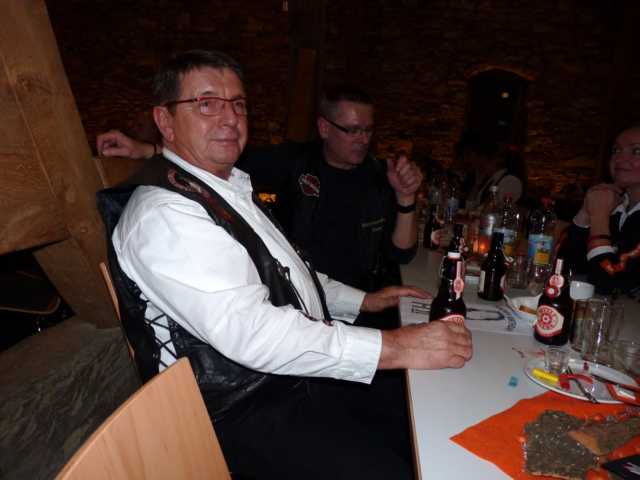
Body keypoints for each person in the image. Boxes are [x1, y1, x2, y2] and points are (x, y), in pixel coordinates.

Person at [98, 49, 473, 479]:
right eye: (206, 103)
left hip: (285, 379)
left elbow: (288, 273)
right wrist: (398, 346)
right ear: (165, 121)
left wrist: (365, 301)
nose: (230, 118)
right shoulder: (166, 215)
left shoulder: (224, 188)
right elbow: (254, 334)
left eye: (238, 104)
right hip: (235, 415)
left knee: (416, 415)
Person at [97, 86, 422, 307]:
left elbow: (402, 254)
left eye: (368, 130)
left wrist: (405, 197)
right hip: (296, 299)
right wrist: (145, 150)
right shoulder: (295, 162)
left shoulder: (380, 175)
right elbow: (213, 160)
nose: (362, 139)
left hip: (364, 301)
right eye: (352, 130)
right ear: (324, 128)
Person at [562, 124, 640, 298]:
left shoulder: (606, 209)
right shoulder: (613, 204)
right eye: (616, 150)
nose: (619, 158)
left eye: (636, 151)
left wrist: (598, 217)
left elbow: (612, 287)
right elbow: (566, 267)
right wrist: (584, 214)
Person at [452, 133, 524, 208]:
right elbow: (470, 205)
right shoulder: (490, 180)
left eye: (481, 160)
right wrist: (477, 184)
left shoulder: (510, 181)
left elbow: (492, 209)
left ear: (486, 159)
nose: (478, 164)